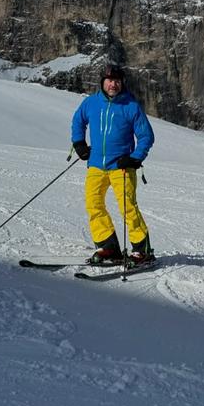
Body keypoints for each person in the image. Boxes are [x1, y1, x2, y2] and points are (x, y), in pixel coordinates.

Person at [71, 63, 155, 265]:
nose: (113, 84)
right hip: (96, 165)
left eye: (117, 81)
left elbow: (146, 136)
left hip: (122, 166)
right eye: (109, 80)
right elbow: (78, 121)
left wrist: (135, 157)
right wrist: (79, 142)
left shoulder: (131, 106)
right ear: (103, 82)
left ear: (122, 83)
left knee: (128, 207)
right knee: (93, 204)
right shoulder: (91, 103)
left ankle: (142, 251)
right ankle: (108, 247)